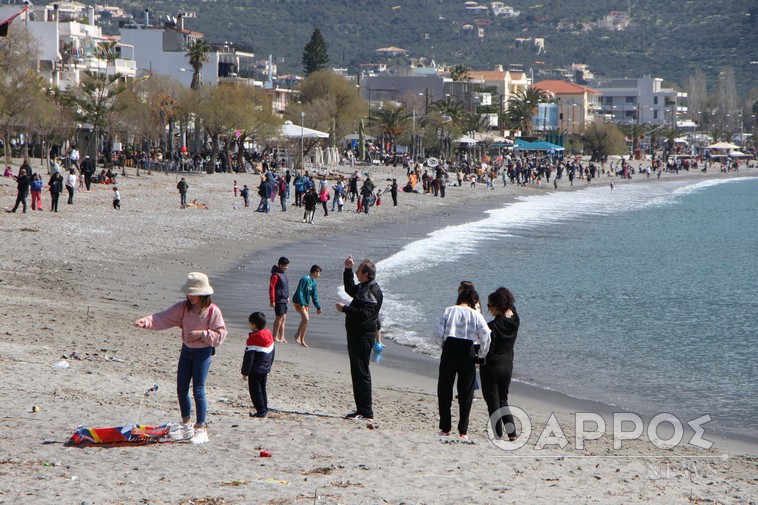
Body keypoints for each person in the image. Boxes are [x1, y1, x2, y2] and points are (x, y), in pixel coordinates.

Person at [134, 272, 227, 444]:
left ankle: (201, 427)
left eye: (194, 293)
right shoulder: (183, 308)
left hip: (203, 353)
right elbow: (163, 318)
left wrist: (202, 334)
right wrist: (145, 322)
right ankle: (187, 424)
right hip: (187, 351)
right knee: (181, 388)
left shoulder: (213, 311)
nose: (190, 296)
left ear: (203, 294)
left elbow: (221, 335)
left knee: (198, 389)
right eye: (189, 293)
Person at [434, 288, 491, 440]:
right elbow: (486, 334)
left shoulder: (448, 310)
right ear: (473, 301)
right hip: (467, 350)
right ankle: (463, 431)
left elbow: (437, 332)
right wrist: (481, 353)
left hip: (450, 348)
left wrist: (443, 346)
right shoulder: (475, 314)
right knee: (466, 392)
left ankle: (445, 428)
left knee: (445, 389)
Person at [335, 256, 383, 420]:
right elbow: (350, 289)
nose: (356, 272)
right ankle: (361, 410)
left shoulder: (372, 291)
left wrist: (345, 309)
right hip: (356, 335)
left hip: (363, 337)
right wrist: (347, 269)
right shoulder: (364, 286)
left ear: (367, 274)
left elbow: (364, 315)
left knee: (361, 373)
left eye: (358, 270)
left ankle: (366, 412)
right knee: (357, 372)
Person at [480, 287, 520, 441]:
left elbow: (488, 350)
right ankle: (512, 433)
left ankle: (497, 434)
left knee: (492, 402)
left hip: (491, 367)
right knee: (503, 400)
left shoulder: (492, 326)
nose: (489, 309)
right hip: (507, 366)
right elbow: (512, 306)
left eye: (490, 306)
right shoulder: (515, 320)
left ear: (497, 306)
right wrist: (508, 305)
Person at [241, 311, 275, 418]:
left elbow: (248, 358)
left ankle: (261, 411)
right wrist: (269, 366)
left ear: (253, 325)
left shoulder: (253, 339)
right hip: (264, 368)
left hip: (255, 370)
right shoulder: (269, 336)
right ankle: (264, 408)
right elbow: (272, 352)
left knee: (255, 391)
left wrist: (245, 373)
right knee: (262, 389)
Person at [292, 265, 322, 347]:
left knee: (305, 321)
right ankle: (297, 335)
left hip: (306, 303)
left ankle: (302, 340)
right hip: (298, 301)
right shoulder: (305, 279)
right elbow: (300, 292)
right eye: (319, 273)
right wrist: (301, 304)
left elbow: (314, 296)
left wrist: (318, 307)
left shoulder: (314, 282)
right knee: (306, 319)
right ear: (315, 272)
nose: (319, 275)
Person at [268, 257, 290, 343]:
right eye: (285, 266)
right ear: (280, 265)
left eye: (287, 266)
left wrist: (287, 297)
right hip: (278, 299)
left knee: (284, 317)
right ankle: (274, 336)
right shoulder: (275, 275)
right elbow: (271, 287)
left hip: (283, 299)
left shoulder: (283, 274)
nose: (286, 267)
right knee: (279, 317)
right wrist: (272, 300)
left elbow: (285, 287)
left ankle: (282, 337)